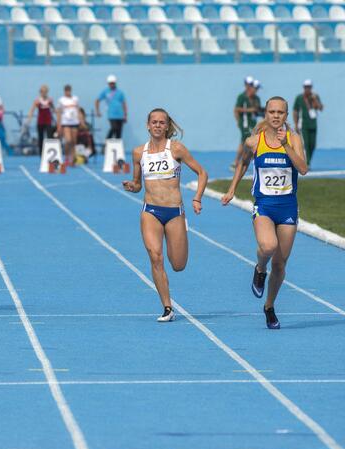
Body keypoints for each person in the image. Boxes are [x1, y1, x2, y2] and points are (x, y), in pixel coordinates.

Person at [221, 97, 308, 330]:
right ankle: (260, 269)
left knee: (280, 265)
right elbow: (242, 164)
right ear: (266, 115)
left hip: (288, 206)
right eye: (272, 111)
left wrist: (286, 146)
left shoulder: (294, 139)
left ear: (286, 115)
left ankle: (269, 307)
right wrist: (231, 190)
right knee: (268, 247)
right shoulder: (254, 141)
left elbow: (303, 168)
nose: (276, 115)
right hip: (265, 205)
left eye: (280, 112)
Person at [122, 108, 207, 322]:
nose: (158, 125)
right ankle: (167, 307)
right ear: (148, 125)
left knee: (178, 264)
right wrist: (132, 186)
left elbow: (202, 172)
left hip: (174, 212)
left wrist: (197, 197)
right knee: (155, 256)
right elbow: (138, 184)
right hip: (150, 211)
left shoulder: (176, 149)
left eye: (162, 122)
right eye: (154, 122)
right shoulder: (139, 153)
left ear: (167, 126)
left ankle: (177, 252)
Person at [293, 79, 323, 168]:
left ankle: (308, 161)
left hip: (313, 124)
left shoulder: (315, 96)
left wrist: (314, 100)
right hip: (303, 125)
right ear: (303, 88)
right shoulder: (299, 98)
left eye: (309, 87)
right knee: (305, 143)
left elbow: (320, 108)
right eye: (306, 87)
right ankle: (307, 163)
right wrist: (296, 124)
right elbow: (295, 111)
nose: (307, 89)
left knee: (312, 144)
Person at [232, 76, 259, 170]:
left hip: (253, 124)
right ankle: (237, 162)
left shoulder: (256, 98)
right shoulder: (242, 97)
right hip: (245, 123)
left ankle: (243, 160)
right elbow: (236, 109)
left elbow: (257, 110)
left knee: (249, 141)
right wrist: (238, 122)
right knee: (245, 142)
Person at [55, 84, 84, 166]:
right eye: (66, 90)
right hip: (66, 123)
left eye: (69, 90)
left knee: (74, 141)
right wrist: (58, 125)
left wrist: (81, 122)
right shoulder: (61, 100)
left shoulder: (75, 99)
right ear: (64, 91)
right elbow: (58, 113)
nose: (68, 92)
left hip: (74, 122)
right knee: (68, 140)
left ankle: (73, 158)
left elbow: (78, 110)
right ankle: (67, 157)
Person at [95, 74, 127, 139]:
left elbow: (124, 103)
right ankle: (107, 141)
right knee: (114, 128)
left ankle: (117, 147)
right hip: (111, 115)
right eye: (110, 83)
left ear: (115, 83)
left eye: (113, 83)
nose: (111, 84)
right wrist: (98, 111)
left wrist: (125, 115)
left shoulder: (120, 92)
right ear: (108, 83)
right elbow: (97, 100)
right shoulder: (105, 91)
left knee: (118, 133)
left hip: (120, 115)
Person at [26, 85, 55, 156]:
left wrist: (58, 116)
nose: (44, 93)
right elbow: (32, 110)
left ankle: (50, 152)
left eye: (45, 91)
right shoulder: (37, 101)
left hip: (48, 121)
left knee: (49, 137)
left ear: (47, 92)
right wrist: (29, 118)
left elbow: (54, 109)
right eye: (42, 91)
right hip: (40, 121)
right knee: (41, 137)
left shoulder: (50, 100)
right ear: (40, 92)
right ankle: (41, 153)